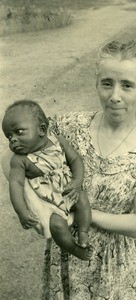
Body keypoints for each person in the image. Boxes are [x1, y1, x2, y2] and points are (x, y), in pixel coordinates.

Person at [2, 40, 136, 300]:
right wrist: (38, 206)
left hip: (113, 269)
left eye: (127, 85)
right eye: (107, 83)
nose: (114, 95)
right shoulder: (70, 125)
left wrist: (88, 215)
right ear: (97, 82)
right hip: (65, 259)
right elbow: (9, 158)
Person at [2, 100, 92, 260]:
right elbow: (15, 184)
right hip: (49, 203)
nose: (13, 140)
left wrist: (77, 181)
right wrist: (21, 212)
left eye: (19, 132)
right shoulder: (20, 160)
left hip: (69, 191)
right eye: (9, 136)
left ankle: (83, 232)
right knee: (57, 226)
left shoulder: (58, 141)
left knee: (83, 200)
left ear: (42, 129)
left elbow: (75, 160)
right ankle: (74, 248)